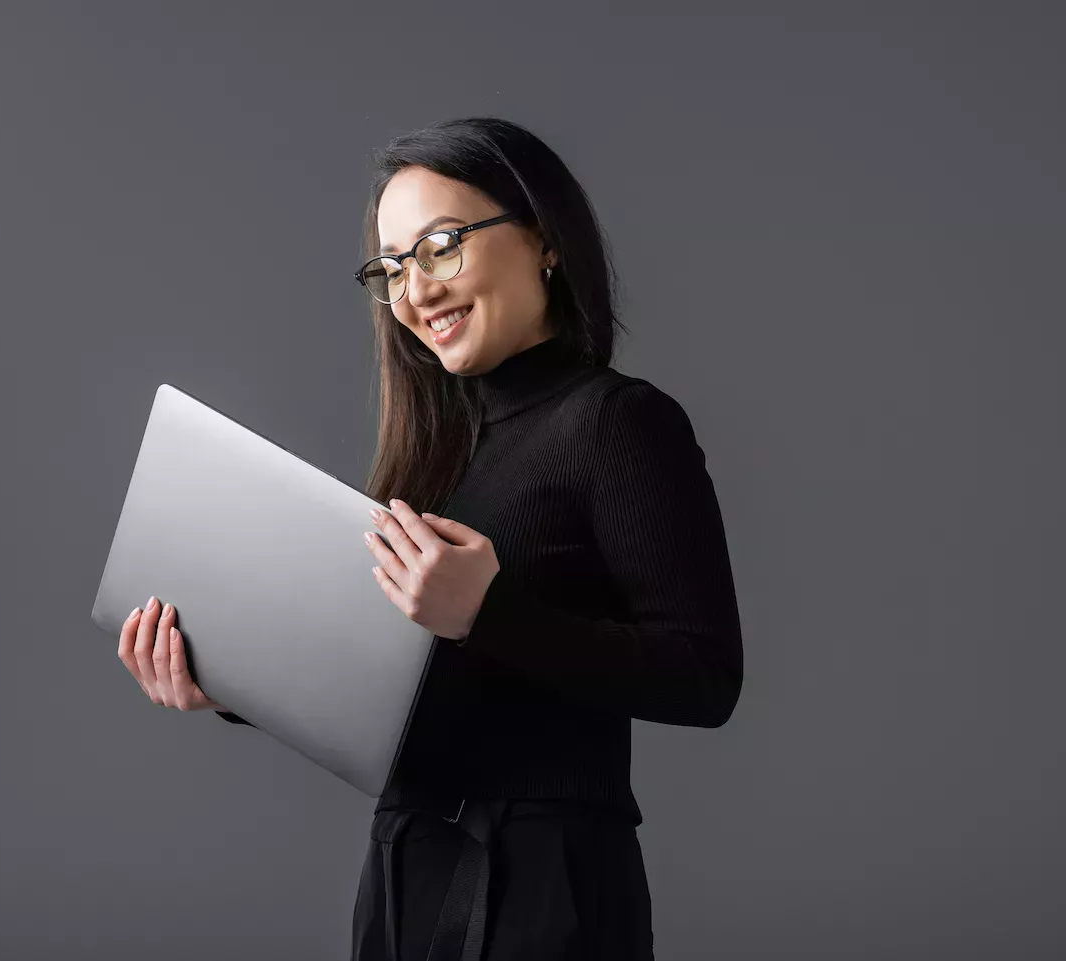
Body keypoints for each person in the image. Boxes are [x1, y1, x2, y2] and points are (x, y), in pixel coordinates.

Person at [116, 116, 744, 960]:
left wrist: (489, 612)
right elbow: (397, 693)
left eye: (441, 247)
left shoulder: (618, 422)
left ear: (544, 238)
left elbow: (705, 677)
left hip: (546, 884)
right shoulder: (433, 455)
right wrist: (227, 677)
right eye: (392, 268)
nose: (415, 293)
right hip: (406, 870)